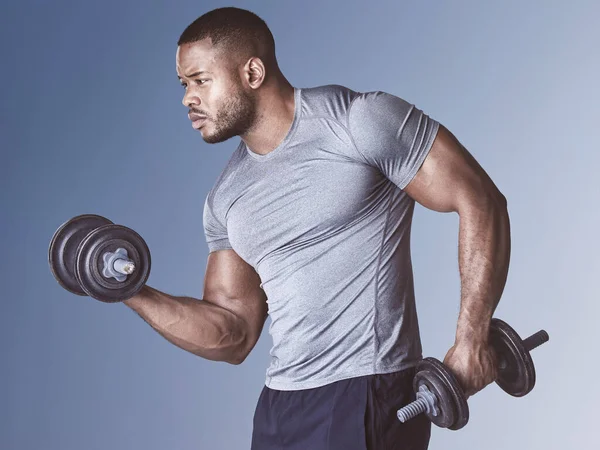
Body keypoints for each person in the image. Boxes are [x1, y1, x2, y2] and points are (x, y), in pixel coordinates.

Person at [124, 6, 511, 450]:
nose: (187, 98)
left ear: (252, 72)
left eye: (199, 80)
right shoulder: (225, 197)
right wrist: (131, 291)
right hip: (280, 406)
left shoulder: (357, 121)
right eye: (183, 84)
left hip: (367, 390)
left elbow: (480, 200)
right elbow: (233, 333)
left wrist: (472, 338)